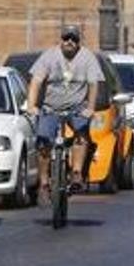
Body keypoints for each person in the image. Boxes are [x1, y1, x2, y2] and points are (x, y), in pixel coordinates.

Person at [25, 24, 103, 203]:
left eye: (74, 39)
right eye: (66, 38)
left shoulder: (87, 58)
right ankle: (44, 183)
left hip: (76, 107)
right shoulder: (49, 57)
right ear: (61, 40)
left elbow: (93, 84)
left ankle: (76, 173)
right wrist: (31, 106)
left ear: (78, 42)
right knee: (43, 140)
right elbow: (36, 81)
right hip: (50, 107)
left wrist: (90, 108)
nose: (69, 42)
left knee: (81, 134)